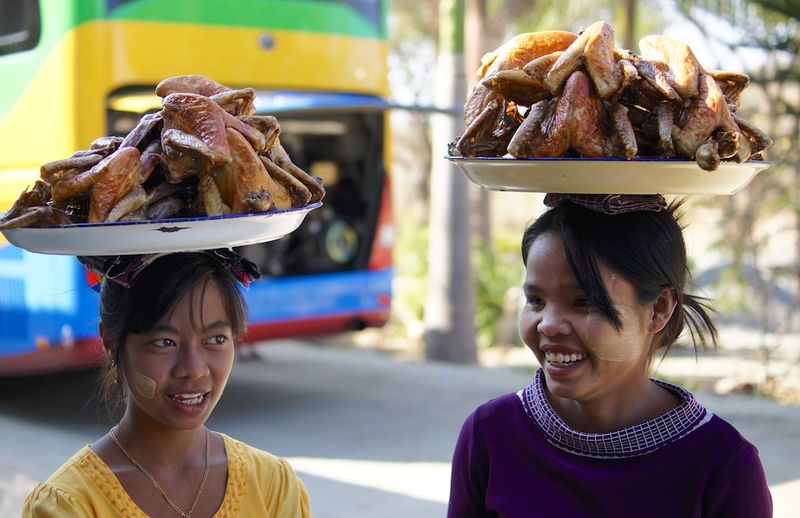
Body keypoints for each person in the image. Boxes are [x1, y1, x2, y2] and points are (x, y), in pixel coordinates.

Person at [447, 195, 773, 517]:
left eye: (583, 302)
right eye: (535, 300)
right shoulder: (490, 434)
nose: (549, 324)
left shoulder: (722, 466)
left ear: (659, 309)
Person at [23, 250, 312, 517]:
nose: (193, 370)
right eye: (165, 342)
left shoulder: (271, 486)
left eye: (215, 340)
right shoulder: (69, 504)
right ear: (111, 342)